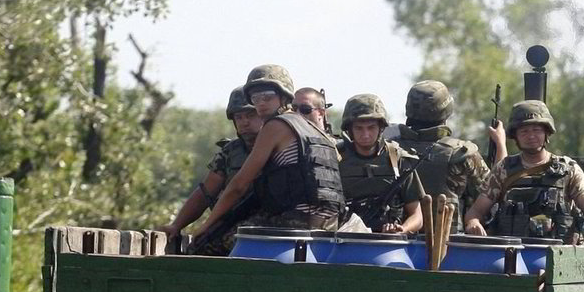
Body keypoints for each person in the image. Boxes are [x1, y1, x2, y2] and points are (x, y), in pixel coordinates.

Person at [195, 64, 345, 240]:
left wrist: (205, 226)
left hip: (297, 223)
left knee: (210, 243)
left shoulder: (275, 126)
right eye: (255, 97)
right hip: (330, 225)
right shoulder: (314, 129)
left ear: (284, 96)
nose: (261, 103)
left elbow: (238, 186)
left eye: (267, 96)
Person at [462, 100, 584, 247]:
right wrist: (473, 222)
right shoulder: (503, 169)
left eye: (537, 130)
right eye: (524, 131)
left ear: (546, 132)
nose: (531, 136)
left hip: (559, 255)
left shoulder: (568, 169)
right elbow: (476, 211)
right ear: (515, 136)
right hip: (513, 255)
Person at [162, 86, 261, 249]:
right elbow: (205, 192)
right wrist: (177, 225)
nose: (245, 122)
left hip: (268, 224)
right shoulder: (231, 152)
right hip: (234, 221)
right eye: (239, 117)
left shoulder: (280, 146)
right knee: (199, 248)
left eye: (251, 115)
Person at [395, 80, 491, 230]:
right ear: (447, 110)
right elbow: (492, 199)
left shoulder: (389, 150)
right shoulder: (462, 153)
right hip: (449, 242)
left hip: (394, 241)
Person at [338, 93, 425, 234]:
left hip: (389, 242)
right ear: (350, 130)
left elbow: (417, 216)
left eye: (371, 127)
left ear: (381, 128)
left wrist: (401, 230)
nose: (365, 134)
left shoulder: (398, 159)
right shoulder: (336, 159)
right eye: (359, 128)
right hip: (346, 239)